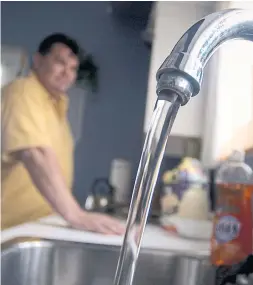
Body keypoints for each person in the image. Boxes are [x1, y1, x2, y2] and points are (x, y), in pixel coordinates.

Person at [1, 33, 125, 235]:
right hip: (8, 229)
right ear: (38, 60)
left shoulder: (56, 105)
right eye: (60, 62)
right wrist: (76, 215)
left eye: (73, 68)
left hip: (38, 225)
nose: (67, 72)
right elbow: (34, 153)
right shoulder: (22, 92)